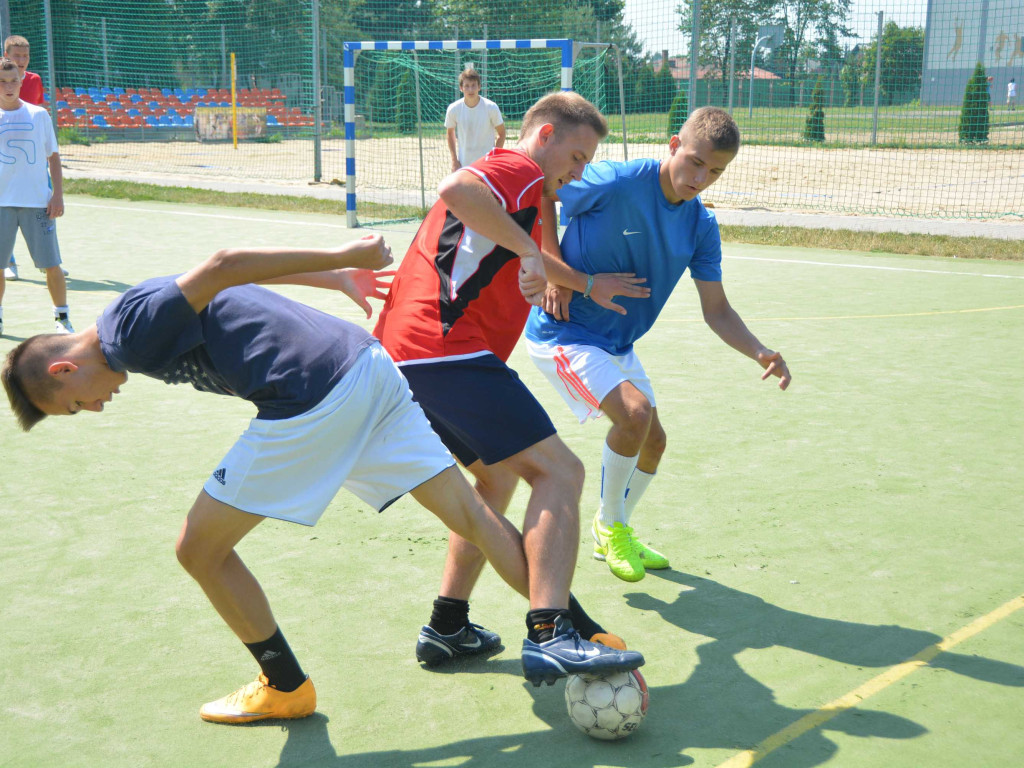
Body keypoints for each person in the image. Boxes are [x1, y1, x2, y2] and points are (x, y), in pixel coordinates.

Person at [2, 236, 643, 722]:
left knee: (198, 549)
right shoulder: (126, 312)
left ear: (63, 371)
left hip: (311, 394)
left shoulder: (128, 340)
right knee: (472, 517)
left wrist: (343, 254)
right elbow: (224, 281)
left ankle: (285, 686)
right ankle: (577, 635)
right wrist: (333, 277)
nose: (93, 408)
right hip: (367, 366)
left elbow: (225, 264)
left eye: (74, 404)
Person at [374, 92, 650, 676]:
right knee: (561, 472)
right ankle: (550, 631)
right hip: (444, 350)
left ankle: (447, 623)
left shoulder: (520, 195)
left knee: (495, 477)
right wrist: (529, 248)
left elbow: (514, 248)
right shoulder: (518, 168)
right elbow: (456, 190)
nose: (578, 172)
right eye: (576, 157)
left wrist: (582, 283)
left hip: (409, 354)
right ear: (544, 136)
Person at [524, 106, 792, 582]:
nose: (701, 178)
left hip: (617, 343)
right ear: (673, 145)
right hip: (565, 332)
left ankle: (615, 527)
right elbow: (546, 190)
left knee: (654, 442)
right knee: (635, 415)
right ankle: (610, 529)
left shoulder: (701, 227)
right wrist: (556, 268)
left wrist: (759, 350)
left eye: (715, 171)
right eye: (695, 162)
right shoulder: (617, 180)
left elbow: (718, 311)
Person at [0, 57, 73, 337]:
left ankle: (62, 319)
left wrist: (57, 195)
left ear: (21, 82)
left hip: (37, 204)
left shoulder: (38, 115)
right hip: (1, 204)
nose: (9, 87)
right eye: (3, 82)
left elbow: (53, 158)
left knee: (51, 264)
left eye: (13, 81)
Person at [2, 35, 62, 282]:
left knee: (44, 204)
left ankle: (48, 258)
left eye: (25, 56)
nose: (22, 60)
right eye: (16, 56)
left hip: (32, 163)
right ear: (6, 56)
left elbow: (36, 118)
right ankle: (9, 261)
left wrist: (57, 192)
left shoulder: (34, 81)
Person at [444, 67, 505, 172]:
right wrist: (454, 161)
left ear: (479, 87)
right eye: (467, 86)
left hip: (487, 166)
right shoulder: (453, 109)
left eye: (473, 85)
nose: (470, 90)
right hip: (464, 166)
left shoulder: (491, 107)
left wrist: (494, 158)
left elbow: (502, 134)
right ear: (461, 88)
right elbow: (450, 134)